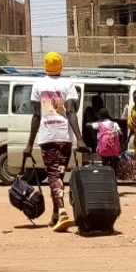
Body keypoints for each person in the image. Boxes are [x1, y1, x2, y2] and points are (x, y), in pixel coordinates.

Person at [23, 52, 88, 232]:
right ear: (61, 66)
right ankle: (54, 215)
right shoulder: (68, 84)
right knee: (58, 175)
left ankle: (62, 211)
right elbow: (71, 112)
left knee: (53, 175)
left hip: (48, 137)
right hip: (64, 138)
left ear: (45, 66)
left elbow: (36, 115)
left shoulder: (38, 85)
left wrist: (29, 144)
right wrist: (80, 139)